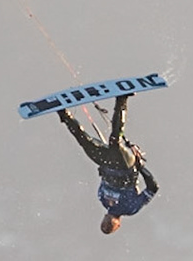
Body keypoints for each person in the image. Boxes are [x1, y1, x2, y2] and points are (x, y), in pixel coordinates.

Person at [57, 93, 160, 233]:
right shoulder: (124, 207)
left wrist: (139, 167)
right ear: (115, 222)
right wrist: (140, 167)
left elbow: (153, 188)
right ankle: (121, 100)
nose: (107, 219)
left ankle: (64, 114)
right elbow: (153, 188)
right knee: (106, 141)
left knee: (88, 140)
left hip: (110, 163)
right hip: (121, 165)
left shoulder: (105, 200)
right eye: (108, 222)